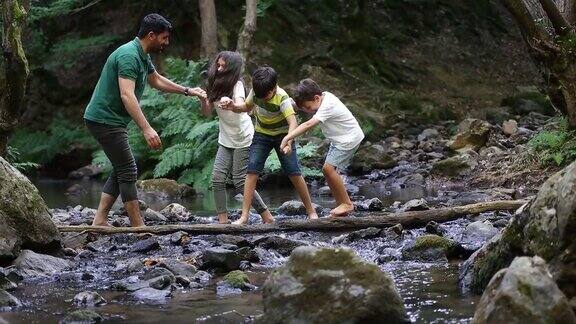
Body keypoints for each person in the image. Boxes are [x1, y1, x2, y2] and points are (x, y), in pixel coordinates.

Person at [84, 13, 205, 227]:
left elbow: (156, 79)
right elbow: (127, 95)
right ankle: (138, 226)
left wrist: (187, 90)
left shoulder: (141, 55)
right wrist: (147, 129)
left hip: (111, 120)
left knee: (121, 167)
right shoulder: (129, 56)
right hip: (104, 119)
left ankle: (100, 220)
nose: (166, 43)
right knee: (128, 169)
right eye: (164, 38)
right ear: (151, 35)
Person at [220, 66, 318, 224]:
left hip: (283, 136)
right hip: (262, 134)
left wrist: (288, 141)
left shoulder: (282, 98)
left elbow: (292, 122)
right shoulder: (257, 91)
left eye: (266, 96)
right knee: (251, 172)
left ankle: (311, 211)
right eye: (260, 96)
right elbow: (246, 107)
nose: (263, 98)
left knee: (294, 172)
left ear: (274, 88)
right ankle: (244, 216)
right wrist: (233, 106)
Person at [200, 51, 273, 224]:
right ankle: (223, 221)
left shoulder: (237, 85)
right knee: (217, 179)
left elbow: (243, 105)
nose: (218, 68)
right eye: (218, 65)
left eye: (223, 66)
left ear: (232, 68)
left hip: (243, 138)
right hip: (225, 139)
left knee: (240, 181)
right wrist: (203, 99)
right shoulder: (213, 84)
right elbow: (206, 113)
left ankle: (267, 216)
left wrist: (233, 105)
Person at [280, 78, 364, 216]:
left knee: (328, 169)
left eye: (308, 108)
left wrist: (288, 137)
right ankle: (341, 203)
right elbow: (302, 102)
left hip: (349, 139)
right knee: (327, 171)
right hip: (339, 140)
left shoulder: (327, 105)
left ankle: (347, 204)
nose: (307, 111)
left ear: (317, 98)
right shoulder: (322, 97)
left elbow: (308, 125)